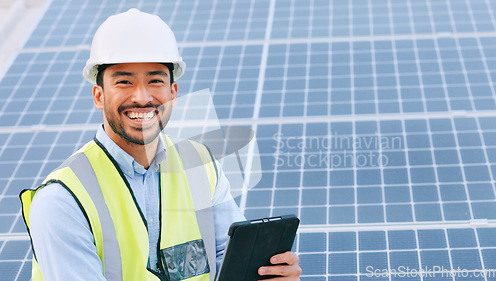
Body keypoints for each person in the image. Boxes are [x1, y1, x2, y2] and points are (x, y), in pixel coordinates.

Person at [19, 8, 301, 281]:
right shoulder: (62, 200)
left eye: (155, 80)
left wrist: (267, 274)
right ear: (98, 96)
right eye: (124, 82)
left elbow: (228, 260)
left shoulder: (199, 164)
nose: (142, 97)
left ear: (173, 93)